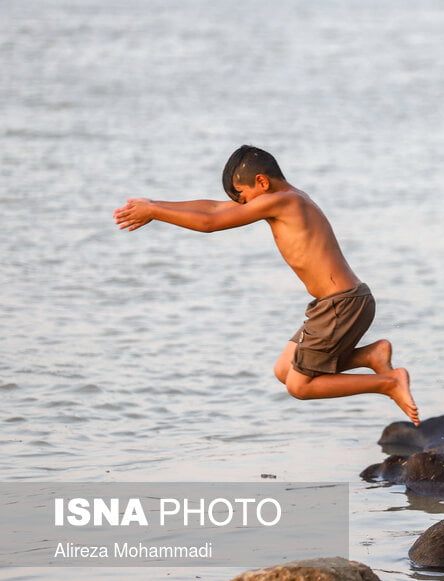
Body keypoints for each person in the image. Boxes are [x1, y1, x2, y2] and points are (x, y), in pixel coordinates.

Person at [114, 145, 419, 425]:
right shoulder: (283, 199)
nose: (241, 206)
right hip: (336, 304)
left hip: (342, 303)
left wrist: (155, 212)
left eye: (243, 198)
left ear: (261, 182)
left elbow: (210, 224)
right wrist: (153, 203)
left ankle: (389, 382)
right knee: (284, 370)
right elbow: (215, 209)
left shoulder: (286, 201)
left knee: (299, 386)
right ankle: (370, 356)